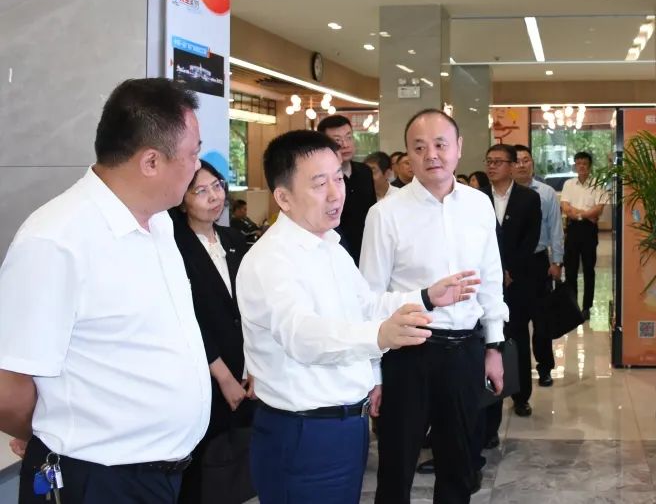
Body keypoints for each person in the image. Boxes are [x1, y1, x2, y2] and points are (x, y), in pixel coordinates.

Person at [237, 130, 479, 504]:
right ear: (283, 197)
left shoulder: (330, 246)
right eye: (320, 184)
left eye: (338, 178)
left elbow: (365, 305)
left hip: (345, 424)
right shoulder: (272, 260)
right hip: (304, 430)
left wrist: (426, 297)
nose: (336, 194)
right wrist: (380, 336)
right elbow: (303, 336)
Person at [0, 78, 210, 503]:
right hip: (95, 480)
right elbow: (8, 385)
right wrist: (50, 430)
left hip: (162, 474)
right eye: (193, 153)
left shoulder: (159, 223)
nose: (198, 166)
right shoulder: (56, 239)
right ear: (150, 161)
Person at [361, 109, 508, 504]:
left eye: (441, 144)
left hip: (465, 352)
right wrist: (373, 373)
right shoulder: (385, 214)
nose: (431, 155)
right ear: (407, 155)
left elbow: (490, 280)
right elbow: (368, 300)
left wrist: (493, 347)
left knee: (460, 467)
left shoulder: (478, 205)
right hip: (409, 353)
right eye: (419, 147)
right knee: (396, 467)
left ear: (459, 148)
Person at [170, 161, 254, 504]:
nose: (214, 197)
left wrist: (251, 368)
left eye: (217, 186)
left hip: (243, 369)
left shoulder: (233, 239)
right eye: (200, 191)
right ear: (182, 200)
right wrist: (223, 376)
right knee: (202, 474)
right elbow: (186, 319)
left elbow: (250, 309)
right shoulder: (174, 247)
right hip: (203, 374)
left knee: (236, 471)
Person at [482, 144, 541, 439]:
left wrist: (510, 271)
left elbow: (530, 240)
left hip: (517, 283)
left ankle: (521, 396)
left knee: (516, 338)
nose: (492, 166)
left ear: (511, 165)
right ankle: (489, 405)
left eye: (498, 162)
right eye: (489, 161)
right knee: (490, 342)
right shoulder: (478, 197)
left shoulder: (529, 198)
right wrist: (494, 271)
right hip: (486, 282)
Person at [512, 145, 564, 386]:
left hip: (538, 262)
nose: (522, 165)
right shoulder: (502, 194)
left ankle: (545, 368)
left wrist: (557, 261)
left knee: (541, 320)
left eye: (526, 160)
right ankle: (517, 372)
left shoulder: (546, 193)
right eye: (517, 161)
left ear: (532, 164)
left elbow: (556, 228)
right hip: (512, 266)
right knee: (515, 323)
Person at [318, 115, 377, 265]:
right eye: (337, 140)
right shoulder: (320, 179)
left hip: (367, 249)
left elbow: (373, 211)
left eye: (349, 137)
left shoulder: (365, 171)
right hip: (335, 251)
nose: (345, 144)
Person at [560, 151, 608, 321]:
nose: (581, 166)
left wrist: (578, 213)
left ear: (589, 166)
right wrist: (585, 214)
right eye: (578, 163)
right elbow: (565, 207)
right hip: (573, 229)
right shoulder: (568, 184)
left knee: (589, 269)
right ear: (575, 165)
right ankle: (572, 306)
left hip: (589, 230)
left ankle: (587, 307)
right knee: (570, 270)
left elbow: (599, 209)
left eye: (584, 163)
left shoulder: (598, 183)